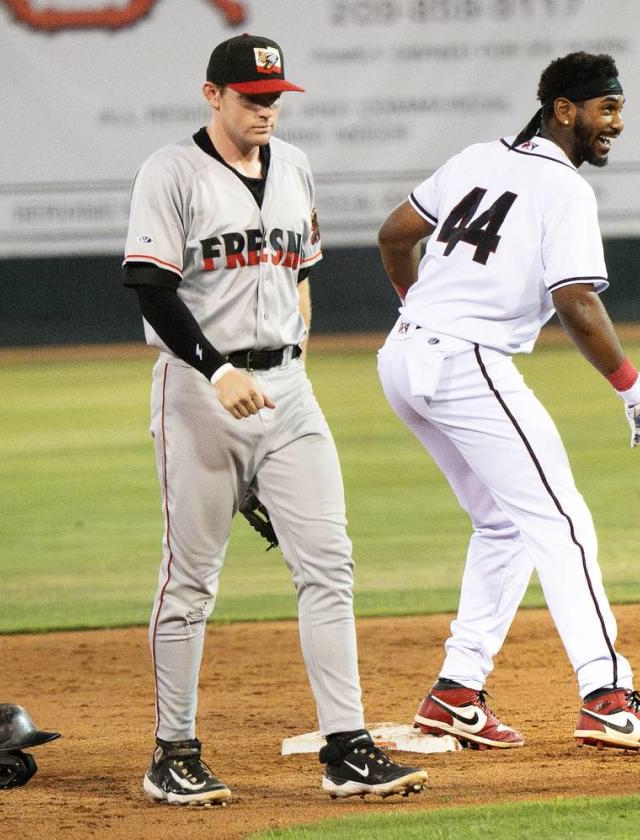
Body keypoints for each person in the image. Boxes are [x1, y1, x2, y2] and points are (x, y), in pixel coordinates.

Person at [123, 33, 427, 804]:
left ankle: (348, 749)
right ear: (212, 95)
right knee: (189, 582)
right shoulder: (172, 172)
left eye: (273, 99)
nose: (265, 110)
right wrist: (219, 370)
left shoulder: (292, 166)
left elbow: (301, 276)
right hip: (199, 392)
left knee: (329, 566)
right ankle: (173, 753)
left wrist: (287, 364)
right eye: (251, 98)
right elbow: (152, 288)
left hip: (288, 394)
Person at [376, 52, 640, 755]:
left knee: (504, 525)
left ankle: (456, 693)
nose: (615, 122)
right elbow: (575, 300)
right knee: (564, 524)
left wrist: (420, 306)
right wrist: (633, 388)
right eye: (605, 108)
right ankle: (607, 698)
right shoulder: (565, 190)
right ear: (563, 109)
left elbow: (396, 235)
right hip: (466, 362)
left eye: (619, 108)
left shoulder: (474, 159)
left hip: (403, 357)